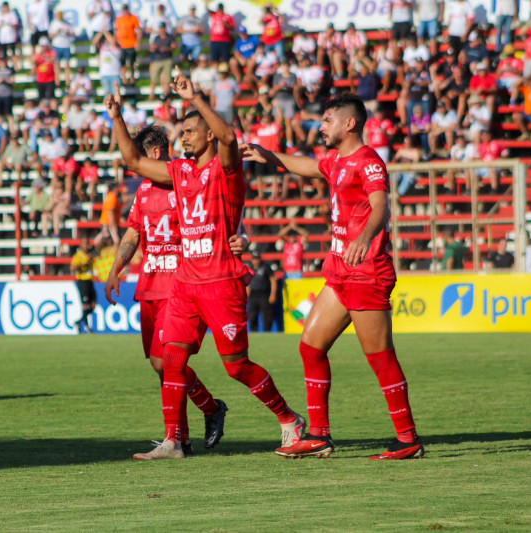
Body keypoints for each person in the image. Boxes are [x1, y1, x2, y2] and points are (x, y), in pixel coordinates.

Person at [106, 77, 305, 460]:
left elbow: (229, 139)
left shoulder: (227, 172)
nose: (184, 137)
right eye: (182, 131)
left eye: (191, 131)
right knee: (171, 359)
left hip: (222, 281)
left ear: (209, 135)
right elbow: (132, 160)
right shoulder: (179, 173)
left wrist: (196, 97)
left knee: (236, 366)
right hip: (184, 283)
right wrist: (116, 118)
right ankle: (174, 441)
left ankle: (288, 418)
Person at [242, 94, 423, 459]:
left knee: (380, 357)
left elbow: (381, 207)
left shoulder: (368, 160)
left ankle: (408, 440)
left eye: (326, 120)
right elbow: (307, 166)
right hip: (340, 270)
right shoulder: (336, 161)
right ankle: (320, 436)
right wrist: (269, 156)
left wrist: (363, 237)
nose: (320, 126)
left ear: (348, 124)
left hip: (367, 270)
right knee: (310, 347)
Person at [104, 125, 252, 455]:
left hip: (182, 284)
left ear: (154, 154)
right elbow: (133, 234)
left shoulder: (187, 185)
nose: (139, 165)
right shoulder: (143, 192)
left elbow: (223, 220)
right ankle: (180, 437)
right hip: (150, 284)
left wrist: (243, 240)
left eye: (141, 157)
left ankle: (206, 411)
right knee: (163, 369)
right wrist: (116, 270)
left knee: (165, 362)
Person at [71, 237, 97, 333]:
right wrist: (82, 264)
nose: (87, 246)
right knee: (85, 305)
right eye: (85, 244)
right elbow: (72, 268)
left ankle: (79, 321)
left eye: (88, 243)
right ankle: (87, 327)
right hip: (82, 281)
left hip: (90, 281)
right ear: (81, 245)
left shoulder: (90, 254)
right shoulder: (78, 256)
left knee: (93, 304)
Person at [247, 250, 277, 332]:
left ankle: (267, 332)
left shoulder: (266, 267)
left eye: (257, 259)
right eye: (254, 259)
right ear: (252, 260)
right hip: (253, 294)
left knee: (267, 315)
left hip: (264, 294)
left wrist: (273, 294)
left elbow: (273, 280)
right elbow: (247, 280)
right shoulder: (250, 268)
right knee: (252, 315)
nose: (256, 261)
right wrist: (247, 289)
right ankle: (254, 332)